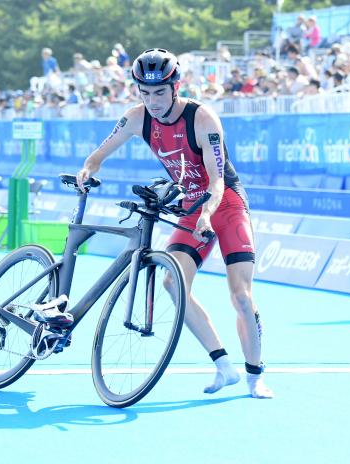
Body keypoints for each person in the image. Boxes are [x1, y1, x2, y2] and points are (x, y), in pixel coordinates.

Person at [77, 48, 273, 399]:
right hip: (189, 202)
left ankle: (255, 374)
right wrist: (88, 169)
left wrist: (207, 216)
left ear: (176, 87)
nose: (152, 101)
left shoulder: (202, 118)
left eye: (159, 92)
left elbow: (216, 182)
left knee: (241, 296)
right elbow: (100, 153)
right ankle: (222, 365)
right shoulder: (136, 118)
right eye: (145, 92)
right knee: (172, 282)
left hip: (223, 202)